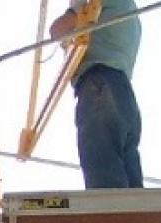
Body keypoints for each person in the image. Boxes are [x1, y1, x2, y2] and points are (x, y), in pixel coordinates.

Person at [50, 0, 144, 189]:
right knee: (129, 178)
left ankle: (110, 217)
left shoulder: (96, 3)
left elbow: (58, 29)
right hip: (122, 92)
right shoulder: (130, 12)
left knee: (102, 165)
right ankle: (133, 218)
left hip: (99, 84)